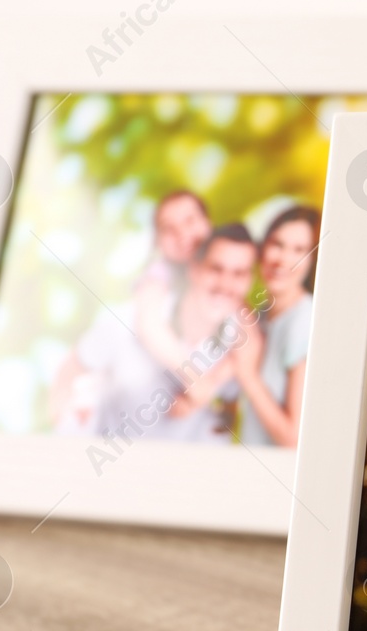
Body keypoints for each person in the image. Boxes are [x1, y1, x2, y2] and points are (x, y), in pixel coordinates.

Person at [52, 225, 258, 443]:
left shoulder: (241, 347)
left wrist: (205, 390)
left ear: (250, 281)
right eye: (216, 269)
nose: (226, 284)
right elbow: (70, 371)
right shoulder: (130, 319)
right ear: (195, 269)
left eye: (239, 274)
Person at [234, 205, 318, 447]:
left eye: (299, 250)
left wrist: (248, 376)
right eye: (277, 244)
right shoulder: (261, 317)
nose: (283, 259)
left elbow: (293, 439)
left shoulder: (303, 321)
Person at [133, 191, 213, 376]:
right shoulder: (159, 274)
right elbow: (148, 323)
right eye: (169, 229)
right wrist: (196, 381)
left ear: (208, 223)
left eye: (190, 221)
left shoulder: (226, 266)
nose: (182, 233)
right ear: (158, 242)